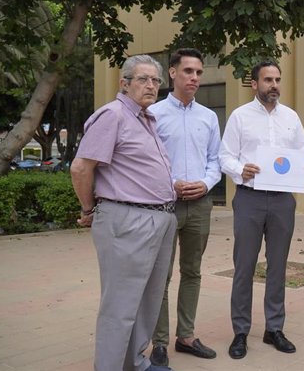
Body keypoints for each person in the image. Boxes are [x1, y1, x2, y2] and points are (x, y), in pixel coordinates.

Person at [70, 55, 177, 371]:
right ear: (125, 83)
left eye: (156, 80)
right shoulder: (113, 115)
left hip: (158, 218)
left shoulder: (146, 118)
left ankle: (135, 361)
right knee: (120, 304)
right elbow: (81, 167)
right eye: (143, 79)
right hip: (129, 220)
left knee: (147, 300)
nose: (151, 86)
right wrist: (89, 208)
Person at [220, 61, 304, 360]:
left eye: (277, 80)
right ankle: (240, 331)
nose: (274, 85)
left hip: (283, 200)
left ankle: (274, 328)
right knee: (244, 266)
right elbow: (225, 157)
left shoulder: (291, 117)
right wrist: (240, 169)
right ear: (254, 84)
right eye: (268, 80)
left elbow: (303, 154)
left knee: (277, 266)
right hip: (249, 198)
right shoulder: (240, 117)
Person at [149, 48, 221, 366]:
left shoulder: (208, 117)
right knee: (161, 277)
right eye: (188, 71)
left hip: (200, 204)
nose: (194, 77)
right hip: (165, 205)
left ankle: (186, 336)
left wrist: (206, 183)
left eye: (199, 72)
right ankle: (160, 342)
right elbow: (147, 162)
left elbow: (215, 161)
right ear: (173, 73)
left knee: (192, 272)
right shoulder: (153, 114)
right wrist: (171, 183)